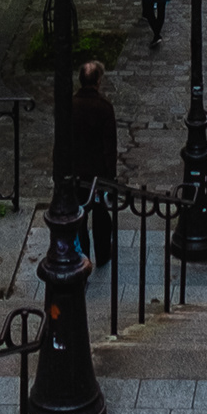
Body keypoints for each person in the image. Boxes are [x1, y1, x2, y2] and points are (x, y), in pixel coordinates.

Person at [71, 58, 119, 266]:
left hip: (75, 173)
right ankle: (102, 252)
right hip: (97, 174)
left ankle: (84, 257)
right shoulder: (104, 108)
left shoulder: (70, 106)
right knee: (100, 215)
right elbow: (109, 146)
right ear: (98, 81)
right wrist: (110, 176)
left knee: (79, 217)